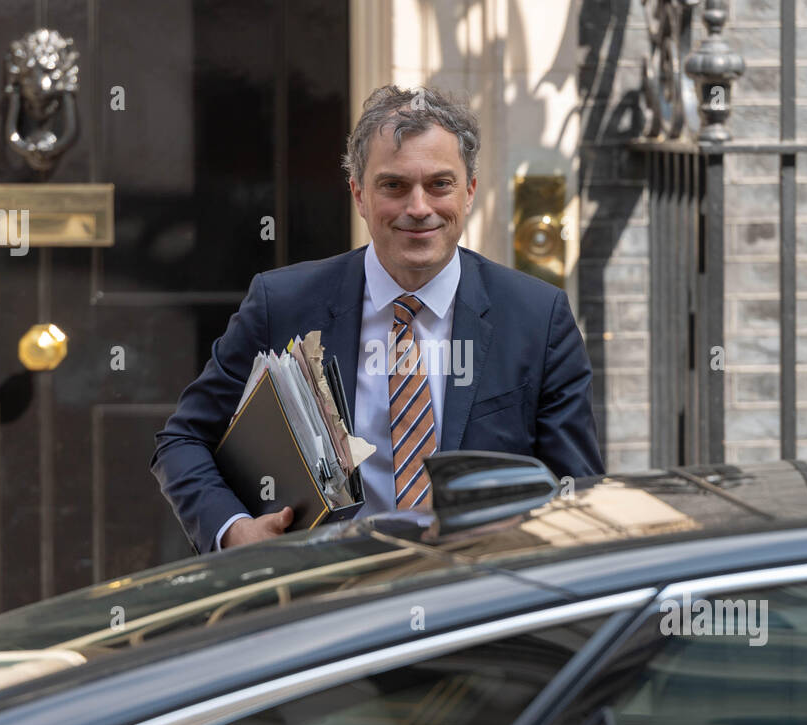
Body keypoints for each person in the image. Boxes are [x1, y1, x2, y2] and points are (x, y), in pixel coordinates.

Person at [151, 84, 603, 552]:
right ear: (359, 195)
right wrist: (234, 530)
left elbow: (576, 491)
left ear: (469, 192)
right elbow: (183, 440)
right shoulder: (281, 303)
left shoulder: (538, 318)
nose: (419, 207)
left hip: (477, 602)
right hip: (326, 598)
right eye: (394, 186)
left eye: (439, 184)